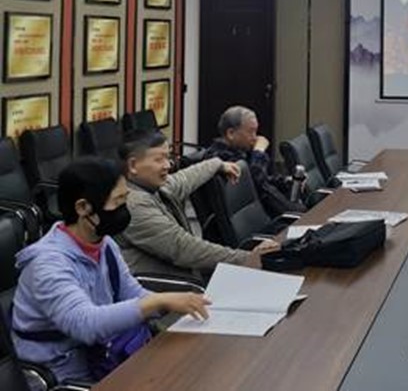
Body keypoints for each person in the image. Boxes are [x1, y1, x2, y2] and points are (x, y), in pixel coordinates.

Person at [12, 157, 211, 383]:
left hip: (105, 356)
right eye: (118, 202)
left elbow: (131, 293)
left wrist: (177, 303)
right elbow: (85, 324)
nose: (125, 209)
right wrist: (158, 302)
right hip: (65, 375)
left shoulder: (103, 243)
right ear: (83, 208)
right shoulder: (47, 264)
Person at [116, 129, 278, 280]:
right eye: (159, 159)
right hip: (164, 290)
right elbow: (184, 248)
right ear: (132, 165)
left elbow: (185, 178)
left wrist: (218, 164)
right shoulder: (132, 204)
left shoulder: (152, 186)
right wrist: (247, 258)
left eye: (167, 157)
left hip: (184, 280)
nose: (168, 165)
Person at [204, 106, 306, 216]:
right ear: (231, 133)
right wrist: (259, 152)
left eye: (255, 131)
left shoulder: (240, 151)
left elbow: (264, 179)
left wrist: (286, 181)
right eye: (251, 132)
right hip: (260, 219)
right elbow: (255, 182)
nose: (255, 138)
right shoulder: (220, 158)